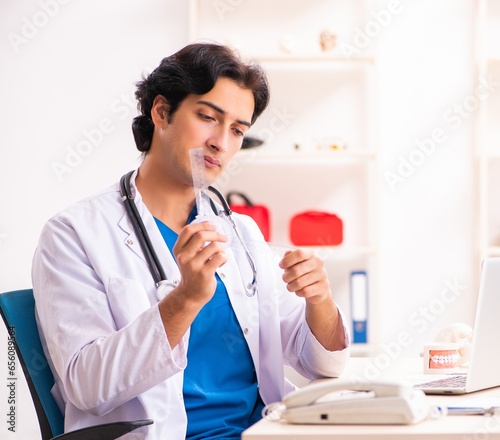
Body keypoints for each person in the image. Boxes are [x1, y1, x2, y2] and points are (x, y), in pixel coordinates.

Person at [32, 42, 350, 440]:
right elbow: (87, 386)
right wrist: (185, 299)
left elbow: (321, 361)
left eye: (237, 130)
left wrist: (319, 300)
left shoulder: (240, 232)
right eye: (207, 117)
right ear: (162, 111)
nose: (222, 142)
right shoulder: (74, 234)